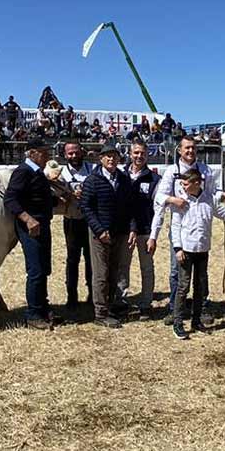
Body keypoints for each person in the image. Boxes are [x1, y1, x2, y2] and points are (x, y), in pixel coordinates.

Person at [149, 136, 224, 324]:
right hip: (180, 228)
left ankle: (203, 308)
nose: (190, 151)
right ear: (179, 151)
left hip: (199, 229)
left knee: (201, 273)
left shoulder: (205, 170)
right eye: (186, 148)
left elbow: (213, 194)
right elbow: (159, 197)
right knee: (176, 271)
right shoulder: (172, 171)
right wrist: (173, 200)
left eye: (193, 148)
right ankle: (175, 310)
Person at [168, 168, 225, 339]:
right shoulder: (181, 202)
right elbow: (175, 226)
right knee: (183, 286)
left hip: (202, 250)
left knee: (200, 287)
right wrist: (177, 248)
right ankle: (178, 323)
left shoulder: (209, 199)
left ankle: (196, 320)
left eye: (186, 184)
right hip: (186, 250)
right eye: (182, 183)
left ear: (196, 183)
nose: (183, 186)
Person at [79, 141, 138, 329]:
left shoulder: (123, 178)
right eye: (108, 156)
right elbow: (86, 207)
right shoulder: (92, 180)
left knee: (115, 271)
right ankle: (100, 312)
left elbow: (130, 206)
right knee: (101, 273)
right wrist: (99, 230)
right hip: (100, 233)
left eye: (114, 156)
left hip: (119, 231)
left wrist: (132, 228)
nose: (111, 159)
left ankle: (110, 306)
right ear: (101, 159)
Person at [3, 138, 58, 329]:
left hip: (42, 223)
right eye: (44, 153)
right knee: (35, 270)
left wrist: (60, 200)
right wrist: (27, 219)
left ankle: (42, 307)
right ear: (32, 153)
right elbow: (10, 199)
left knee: (43, 267)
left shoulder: (37, 173)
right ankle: (33, 314)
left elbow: (40, 198)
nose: (48, 156)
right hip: (30, 226)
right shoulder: (23, 171)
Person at [118, 140, 161, 313]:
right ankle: (120, 300)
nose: (139, 156)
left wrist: (153, 235)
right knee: (122, 266)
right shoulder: (121, 175)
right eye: (136, 152)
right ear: (130, 154)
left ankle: (145, 303)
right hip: (124, 230)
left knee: (147, 267)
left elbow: (158, 208)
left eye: (142, 153)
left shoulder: (154, 179)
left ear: (147, 155)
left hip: (145, 230)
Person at [58, 142, 96, 311]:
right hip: (72, 219)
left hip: (90, 221)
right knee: (72, 260)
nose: (73, 156)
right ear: (65, 155)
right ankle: (71, 296)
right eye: (70, 154)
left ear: (82, 152)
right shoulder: (60, 173)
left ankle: (92, 294)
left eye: (76, 152)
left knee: (91, 259)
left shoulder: (93, 169)